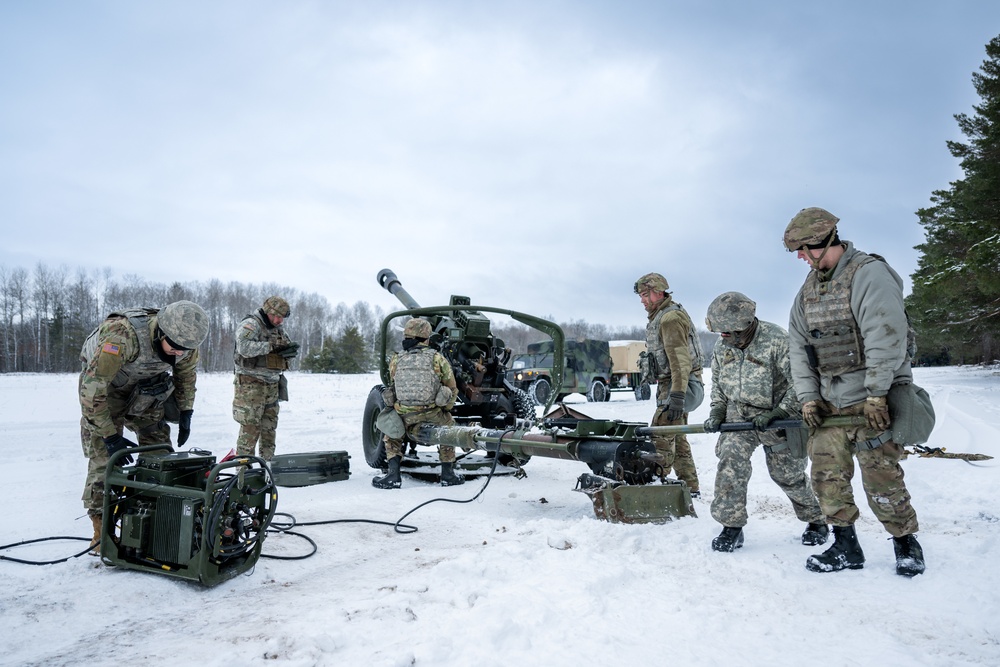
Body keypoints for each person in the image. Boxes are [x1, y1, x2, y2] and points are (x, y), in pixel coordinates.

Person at [784, 207, 925, 576]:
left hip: (871, 399)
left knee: (882, 475)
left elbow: (885, 335)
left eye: (802, 249)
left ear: (822, 242)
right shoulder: (809, 291)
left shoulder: (869, 274)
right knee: (826, 476)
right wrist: (808, 397)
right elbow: (799, 348)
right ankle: (845, 546)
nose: (800, 257)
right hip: (830, 402)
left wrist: (877, 393)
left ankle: (905, 543)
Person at [79, 300, 209, 553]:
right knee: (104, 460)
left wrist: (186, 411)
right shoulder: (121, 335)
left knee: (160, 453)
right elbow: (92, 391)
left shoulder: (186, 343)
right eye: (174, 348)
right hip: (105, 391)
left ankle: (157, 522)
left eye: (185, 350)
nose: (178, 354)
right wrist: (109, 436)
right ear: (161, 332)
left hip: (148, 389)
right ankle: (100, 533)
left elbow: (186, 376)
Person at [702, 291, 828, 552]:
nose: (721, 336)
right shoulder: (722, 346)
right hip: (740, 415)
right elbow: (718, 384)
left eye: (725, 331)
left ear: (742, 326)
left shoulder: (777, 340)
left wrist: (780, 412)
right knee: (730, 460)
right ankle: (731, 527)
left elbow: (800, 382)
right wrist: (717, 410)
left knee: (787, 474)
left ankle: (816, 520)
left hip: (779, 416)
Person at [373, 317, 465, 489]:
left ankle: (393, 475)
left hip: (404, 414)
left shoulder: (397, 359)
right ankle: (447, 474)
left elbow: (392, 382)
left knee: (391, 435)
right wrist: (446, 408)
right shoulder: (437, 358)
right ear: (427, 337)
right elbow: (452, 388)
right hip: (432, 414)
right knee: (449, 429)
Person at [634, 272, 703, 496]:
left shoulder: (670, 319)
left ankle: (655, 486)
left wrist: (677, 395)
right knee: (678, 437)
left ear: (658, 292)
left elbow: (680, 361)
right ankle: (690, 487)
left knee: (661, 437)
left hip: (678, 385)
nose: (642, 300)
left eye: (645, 295)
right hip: (673, 385)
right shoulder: (661, 316)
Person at [233, 296, 299, 461]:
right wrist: (270, 346)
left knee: (269, 429)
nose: (279, 320)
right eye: (276, 316)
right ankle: (243, 473)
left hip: (272, 385)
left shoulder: (278, 329)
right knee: (250, 429)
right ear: (267, 311)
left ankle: (268, 466)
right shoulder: (252, 324)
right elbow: (243, 347)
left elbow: (285, 345)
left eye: (282, 317)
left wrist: (288, 352)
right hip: (251, 385)